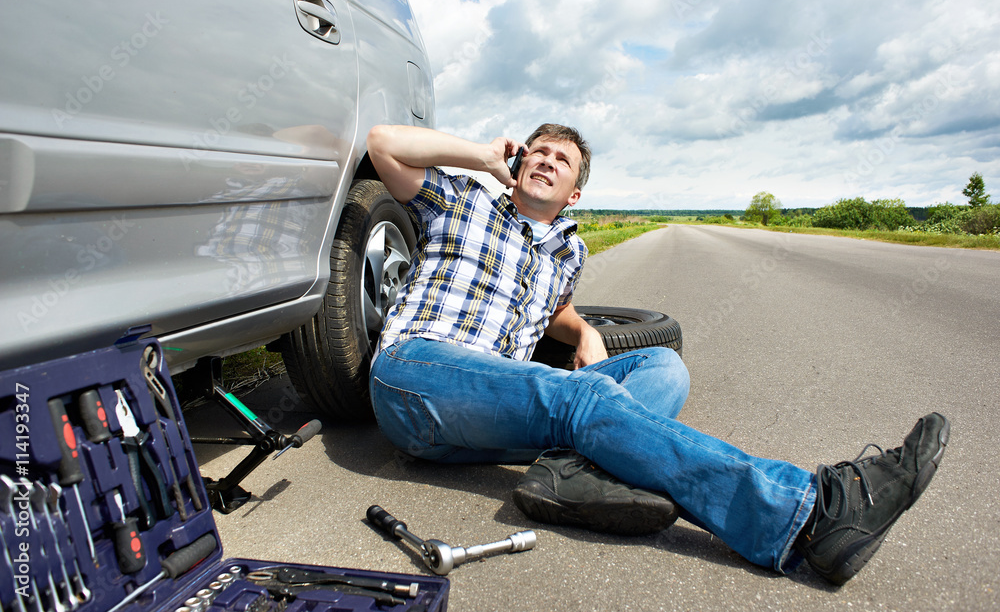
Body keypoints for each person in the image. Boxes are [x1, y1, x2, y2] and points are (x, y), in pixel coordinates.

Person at [365, 122, 949, 585]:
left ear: (575, 192)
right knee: (584, 396)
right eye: (536, 152)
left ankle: (567, 478)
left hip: (489, 414)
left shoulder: (567, 252)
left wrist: (585, 334)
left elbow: (552, 310)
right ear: (519, 165)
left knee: (662, 365)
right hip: (417, 375)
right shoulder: (462, 202)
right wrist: (483, 155)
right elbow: (384, 143)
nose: (545, 160)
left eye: (561, 160)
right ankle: (808, 514)